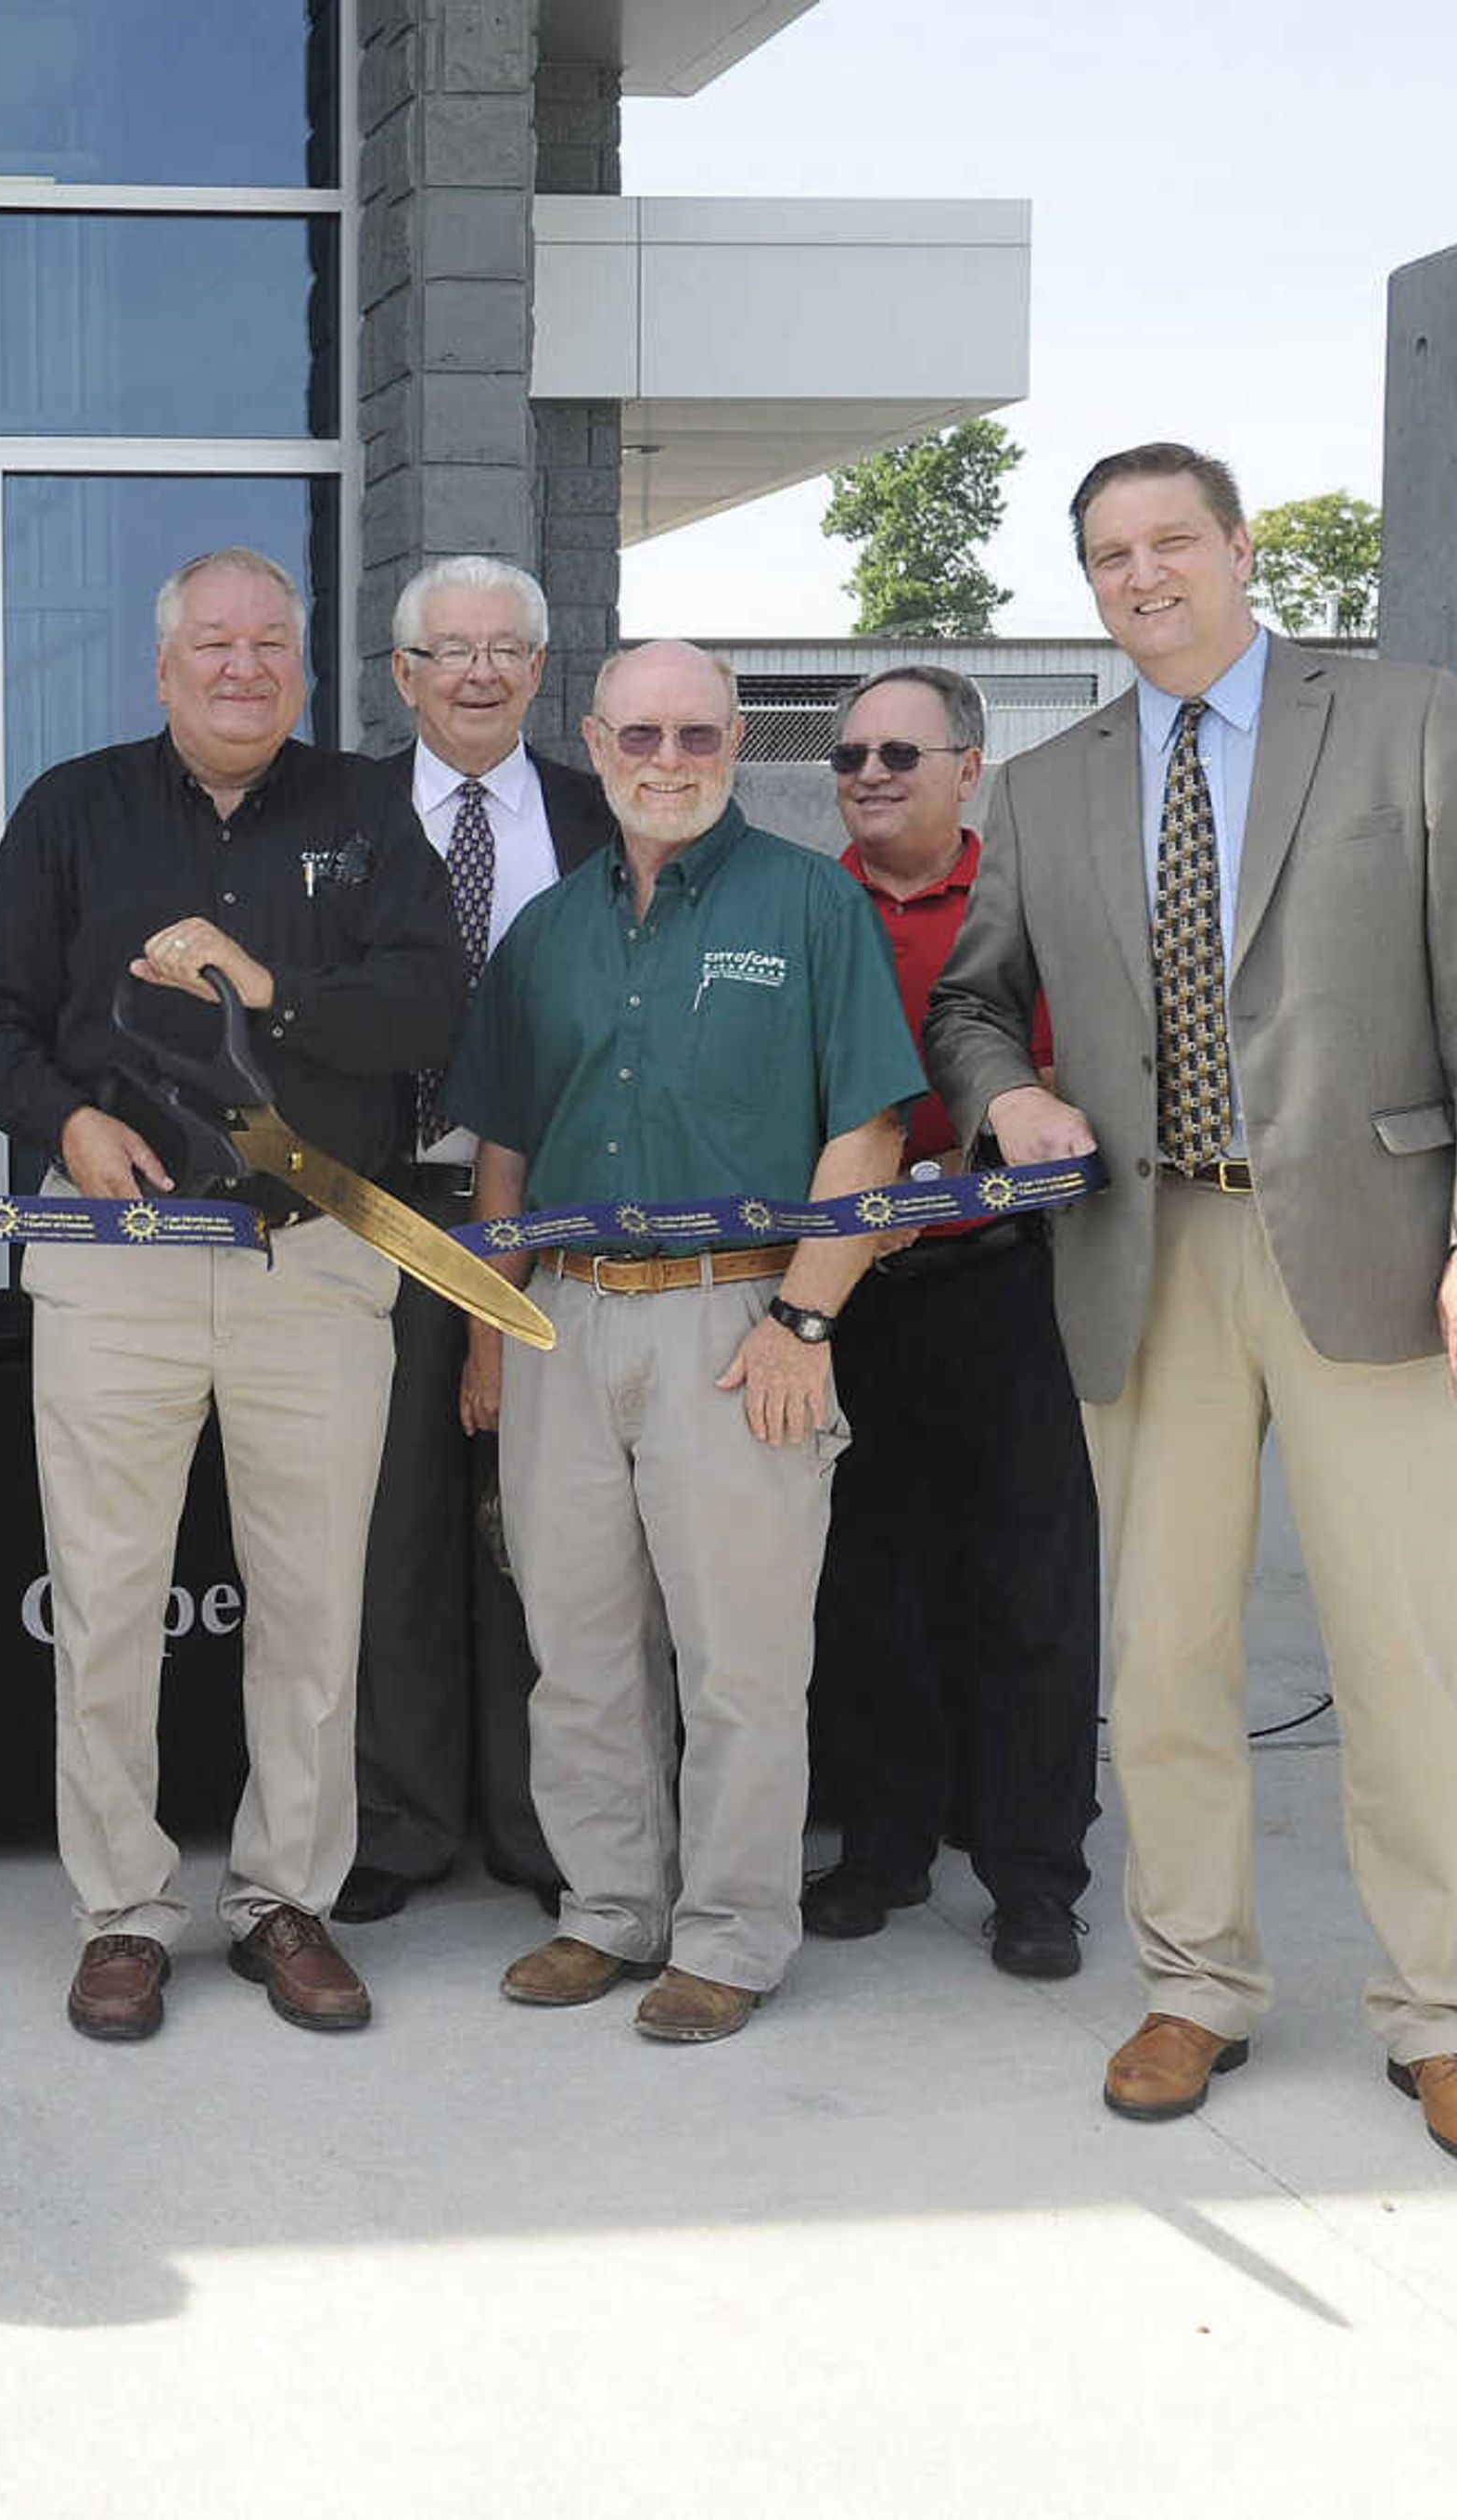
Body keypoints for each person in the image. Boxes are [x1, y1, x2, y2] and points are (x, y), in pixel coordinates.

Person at [927, 442, 1457, 2170]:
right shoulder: (1051, 787)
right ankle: (1196, 1980)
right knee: (1163, 1660)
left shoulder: (1407, 720)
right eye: (1108, 555)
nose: (1143, 576)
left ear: (1237, 548)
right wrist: (1009, 1097)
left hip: (1381, 1252)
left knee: (1403, 1658)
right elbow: (974, 1004)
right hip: (1148, 1260)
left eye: (1170, 542)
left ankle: (1444, 2019)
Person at [0, 546, 466, 2043]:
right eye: (215, 645)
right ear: (163, 668)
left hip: (318, 1253)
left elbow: (433, 1005)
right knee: (104, 1594)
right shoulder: (73, 809)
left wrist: (271, 986)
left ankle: (285, 1896)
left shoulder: (367, 814)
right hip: (119, 1261)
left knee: (314, 1599)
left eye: (273, 645)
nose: (245, 667)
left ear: (304, 667)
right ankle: (121, 1910)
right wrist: (64, 1123)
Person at [441, 639, 920, 2045]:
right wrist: (493, 1332)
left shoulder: (810, 905)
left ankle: (727, 1934)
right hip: (563, 1321)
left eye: (698, 736)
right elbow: (505, 1150)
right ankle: (608, 1909)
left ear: (734, 742)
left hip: (743, 1318)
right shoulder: (546, 932)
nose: (669, 761)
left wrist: (806, 1317)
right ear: (593, 741)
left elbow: (871, 1129)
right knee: (577, 1644)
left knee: (739, 1656)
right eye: (641, 734)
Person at [800, 666, 1102, 1979]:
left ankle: (1034, 1871)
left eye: (901, 754)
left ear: (969, 767)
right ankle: (883, 1842)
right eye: (853, 754)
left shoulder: (1039, 902)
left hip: (1009, 1278)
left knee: (1029, 1583)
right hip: (850, 1293)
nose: (872, 774)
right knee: (870, 1580)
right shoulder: (808, 909)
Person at [336, 556, 615, 1928]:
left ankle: (539, 1816)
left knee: (546, 1532)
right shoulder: (337, 815)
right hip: (383, 1211)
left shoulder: (602, 810)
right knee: (390, 1531)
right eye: (450, 650)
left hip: (560, 1221)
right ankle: (399, 1820)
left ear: (541, 663)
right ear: (404, 674)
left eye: (509, 646)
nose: (481, 672)